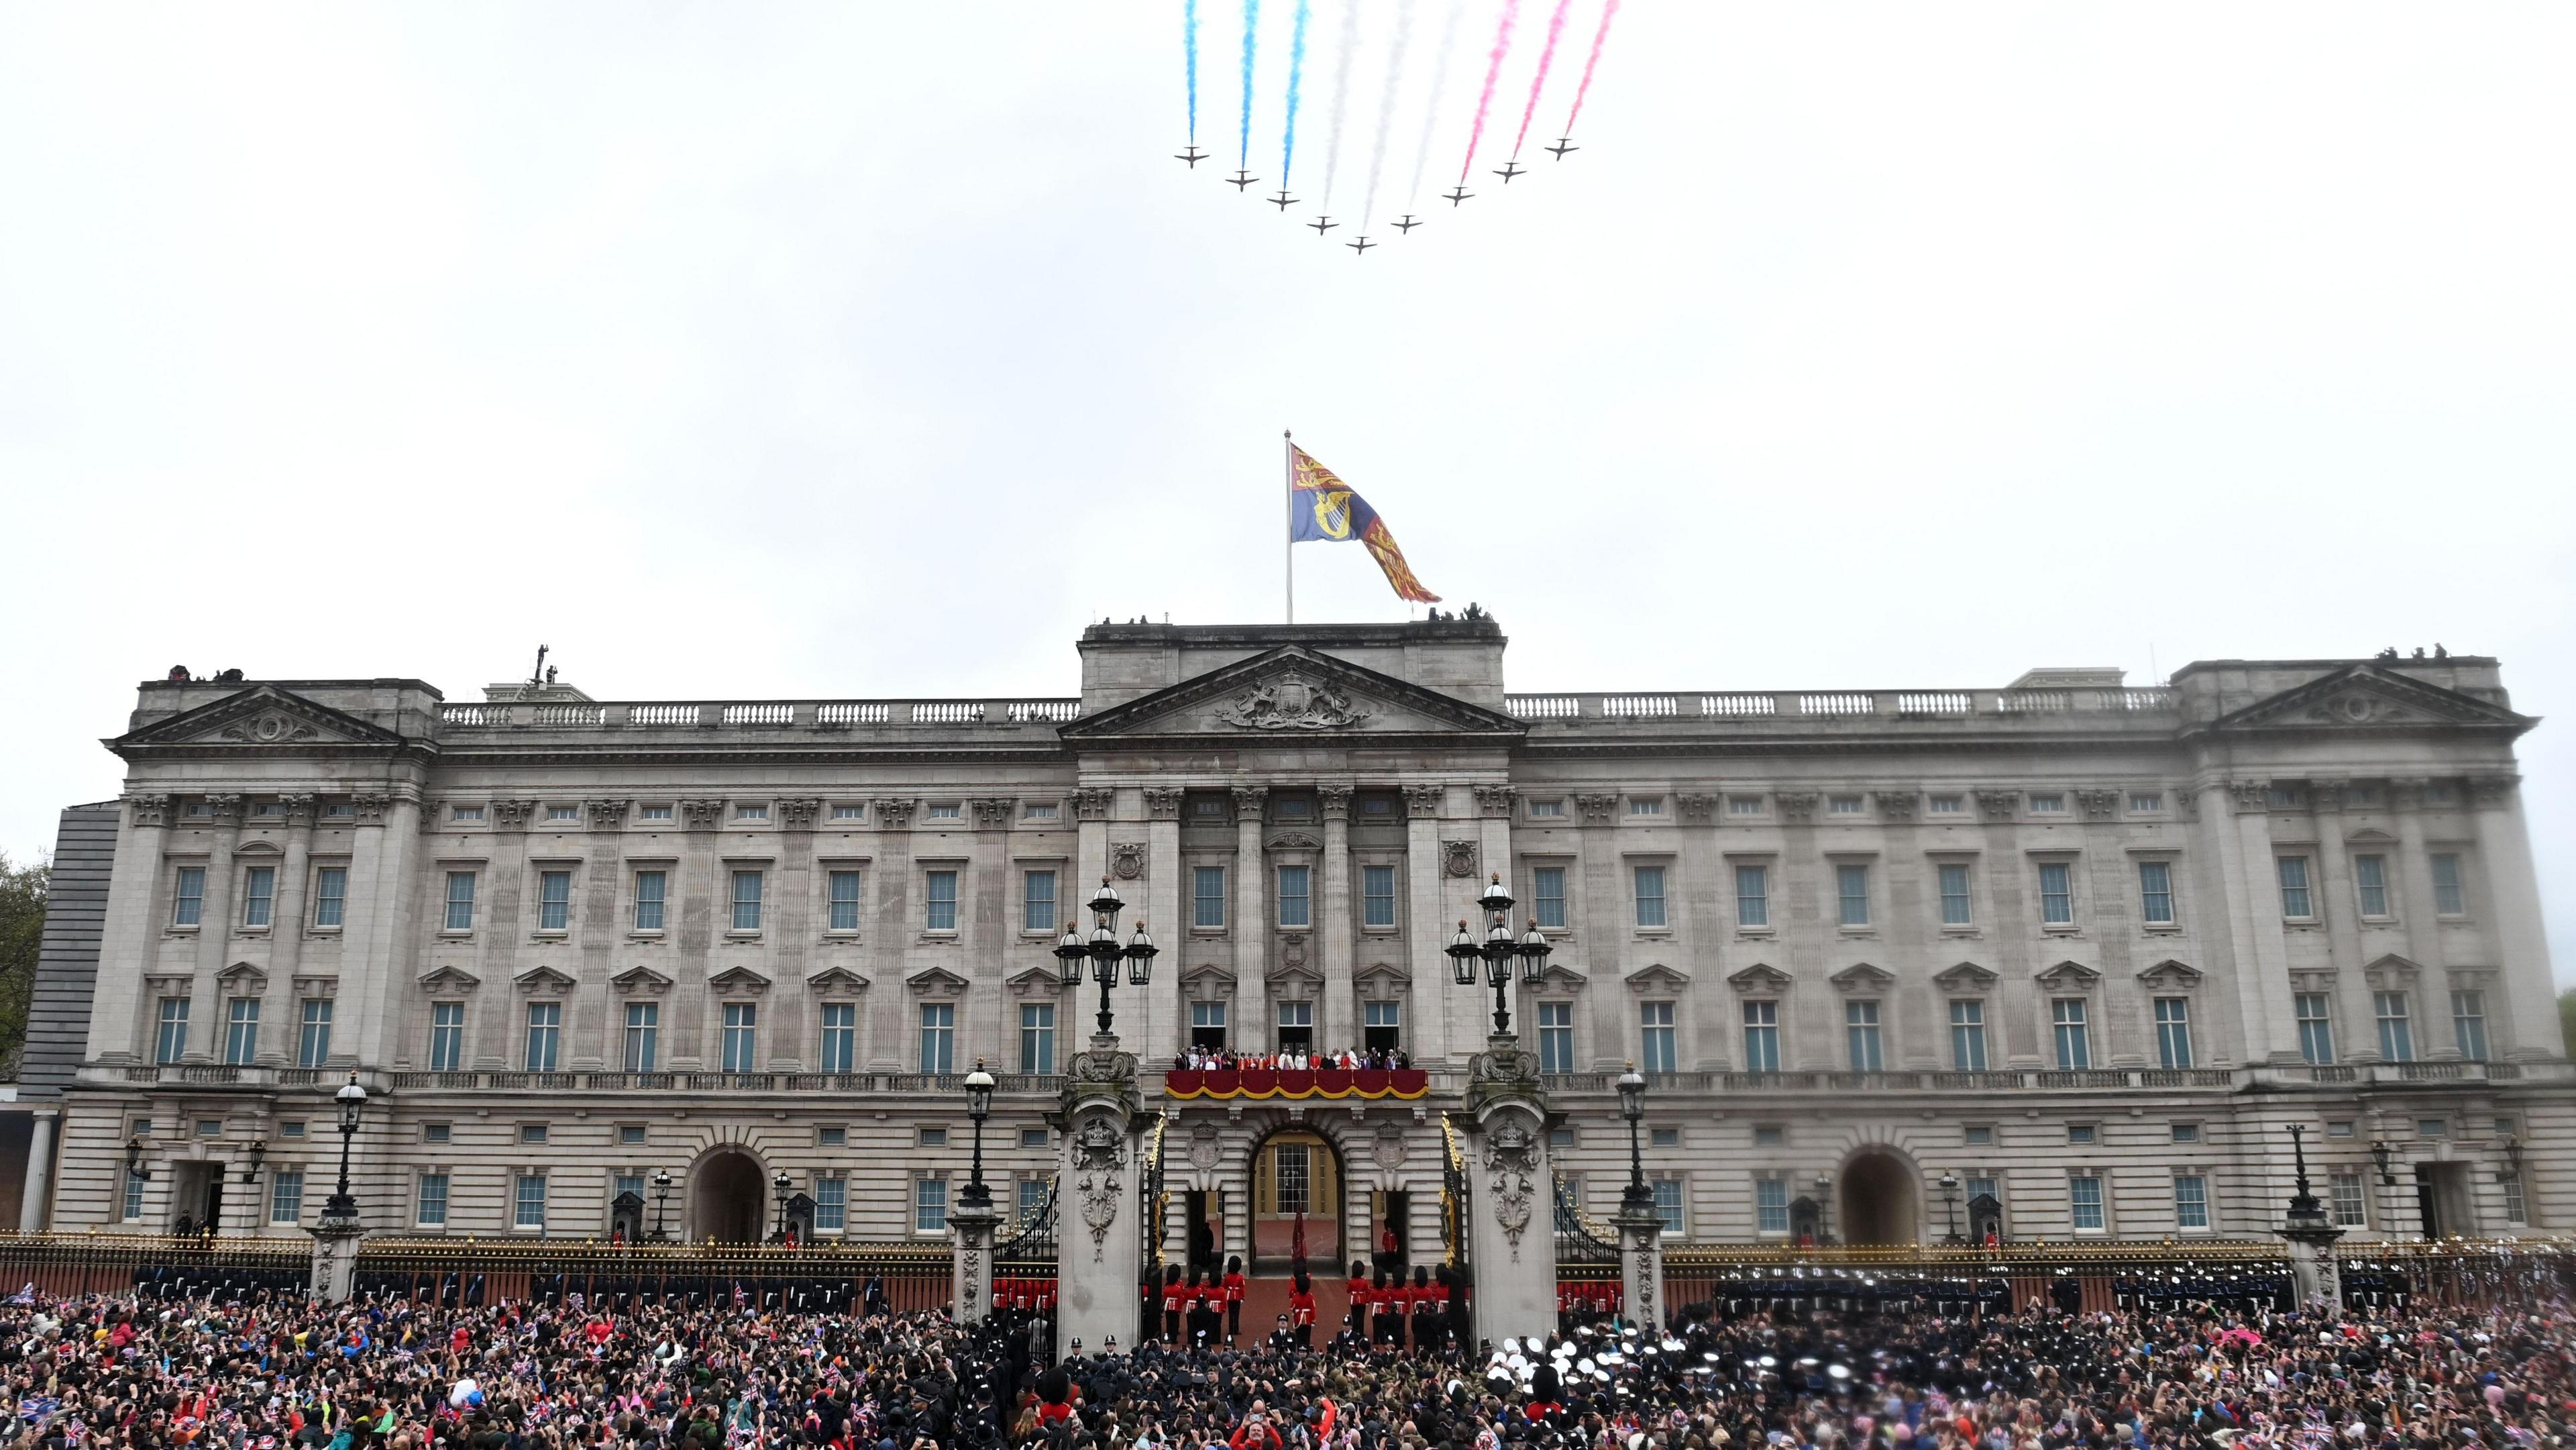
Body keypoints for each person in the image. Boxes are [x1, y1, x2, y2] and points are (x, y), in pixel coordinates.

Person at [1222, 1253, 1246, 1344]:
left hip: (1229, 1296)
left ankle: (1231, 1330)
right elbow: (1242, 1288)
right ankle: (1236, 1329)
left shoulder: (1227, 1276)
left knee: (1231, 1314)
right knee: (1236, 1314)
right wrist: (1243, 1297)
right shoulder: (1240, 1277)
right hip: (1237, 1296)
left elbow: (1224, 1286)